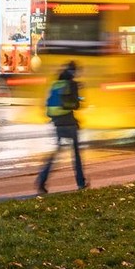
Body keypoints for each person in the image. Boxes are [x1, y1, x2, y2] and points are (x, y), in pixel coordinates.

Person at [37, 60, 87, 194]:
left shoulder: (55, 84)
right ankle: (81, 183)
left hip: (57, 122)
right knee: (76, 154)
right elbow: (75, 105)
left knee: (56, 153)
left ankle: (42, 179)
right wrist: (79, 97)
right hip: (69, 123)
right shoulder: (72, 84)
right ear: (74, 72)